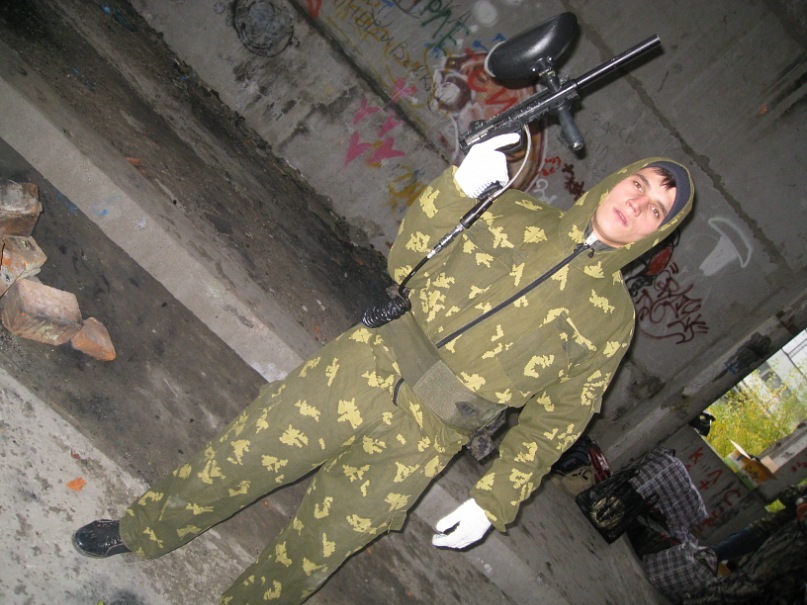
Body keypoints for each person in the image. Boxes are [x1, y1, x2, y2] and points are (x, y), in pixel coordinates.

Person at [72, 133, 694, 604]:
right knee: (244, 454)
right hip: (363, 365)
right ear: (616, 181)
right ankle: (143, 530)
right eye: (639, 185)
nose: (638, 204)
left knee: (319, 547)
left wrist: (495, 499)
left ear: (655, 234)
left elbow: (558, 421)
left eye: (656, 209)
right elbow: (407, 257)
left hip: (428, 437)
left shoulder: (611, 320)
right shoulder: (514, 214)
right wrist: (457, 188)